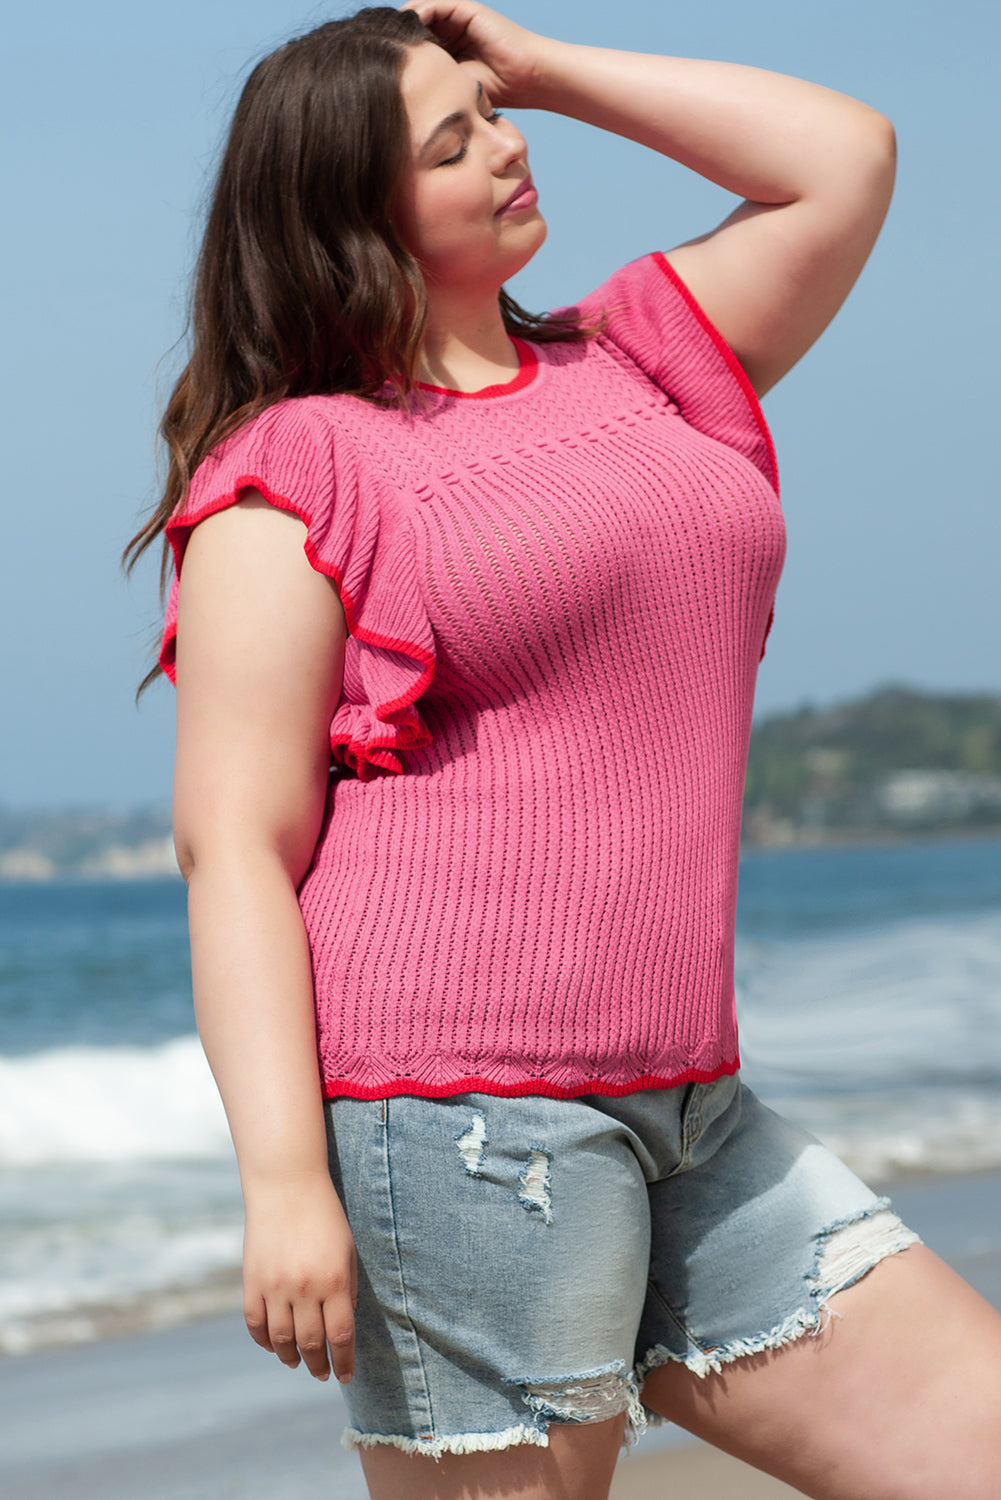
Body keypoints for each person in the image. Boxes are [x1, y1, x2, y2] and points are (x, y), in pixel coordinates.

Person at [126, 4, 1001, 1496]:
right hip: (457, 1122)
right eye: (448, 143)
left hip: (691, 1100)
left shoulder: (642, 355)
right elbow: (237, 849)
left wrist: (540, 64)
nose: (507, 148)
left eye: (493, 113)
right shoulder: (299, 466)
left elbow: (842, 157)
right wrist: (283, 1184)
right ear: (349, 210)